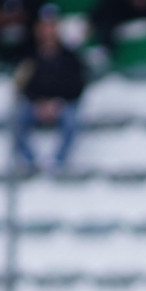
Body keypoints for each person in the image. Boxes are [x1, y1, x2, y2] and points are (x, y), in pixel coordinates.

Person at [11, 3, 85, 174]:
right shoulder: (29, 56)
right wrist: (39, 103)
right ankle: (28, 162)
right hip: (36, 105)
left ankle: (59, 161)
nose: (48, 31)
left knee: (72, 118)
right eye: (44, 26)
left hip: (62, 105)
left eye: (52, 26)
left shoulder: (70, 56)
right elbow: (21, 85)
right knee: (17, 116)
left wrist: (57, 103)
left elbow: (77, 85)